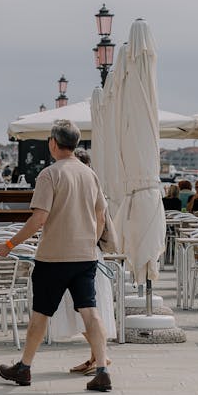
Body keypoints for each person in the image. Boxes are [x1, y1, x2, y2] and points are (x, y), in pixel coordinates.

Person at [0, 118, 111, 392]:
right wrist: (89, 242)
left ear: (53, 143)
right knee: (90, 312)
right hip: (85, 256)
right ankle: (103, 368)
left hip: (53, 257)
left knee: (40, 314)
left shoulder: (49, 174)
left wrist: (9, 246)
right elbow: (101, 216)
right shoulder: (89, 174)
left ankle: (24, 367)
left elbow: (38, 219)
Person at [52, 147, 116, 375]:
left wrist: (89, 243)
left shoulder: (88, 186)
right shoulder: (90, 185)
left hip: (83, 255)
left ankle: (101, 357)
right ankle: (95, 358)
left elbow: (99, 219)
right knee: (85, 308)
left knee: (82, 308)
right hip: (86, 254)